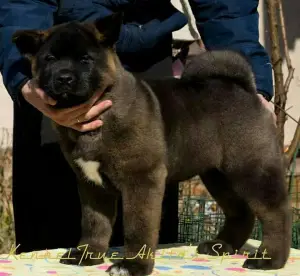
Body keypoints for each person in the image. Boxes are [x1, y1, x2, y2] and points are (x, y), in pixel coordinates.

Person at [0, 0, 274, 253]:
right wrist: (24, 79)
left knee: (145, 202)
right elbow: (20, 3)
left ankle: (138, 260)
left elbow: (225, 5)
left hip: (146, 52)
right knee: (54, 234)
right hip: (50, 55)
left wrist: (249, 88)